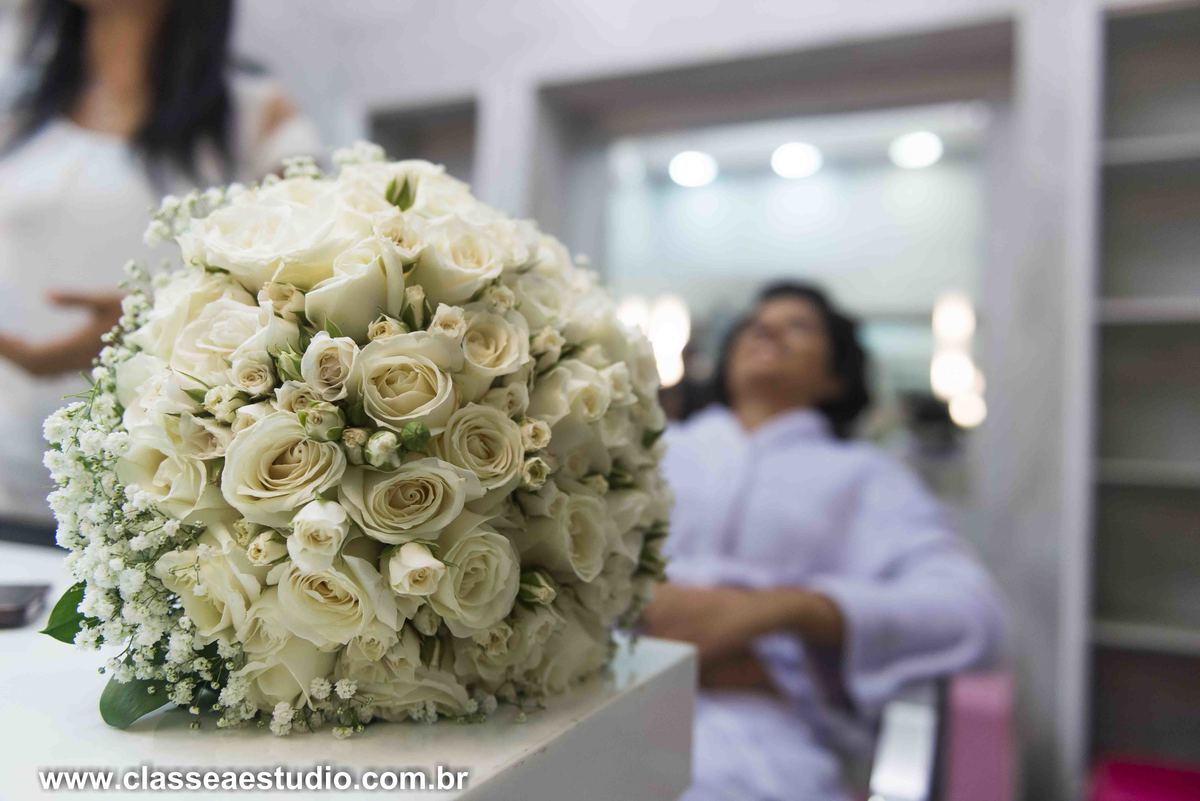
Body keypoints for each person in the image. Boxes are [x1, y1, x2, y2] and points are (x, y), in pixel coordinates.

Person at [642, 282, 1007, 801]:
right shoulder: (653, 450)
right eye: (754, 323)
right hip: (596, 704)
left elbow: (972, 615)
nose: (767, 330)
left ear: (836, 376)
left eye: (798, 326)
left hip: (759, 742)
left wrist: (787, 609)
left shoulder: (867, 477)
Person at [0, 0, 320, 543]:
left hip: (154, 493)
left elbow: (307, 288)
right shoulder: (19, 113)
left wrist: (144, 327)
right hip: (8, 473)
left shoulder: (255, 117)